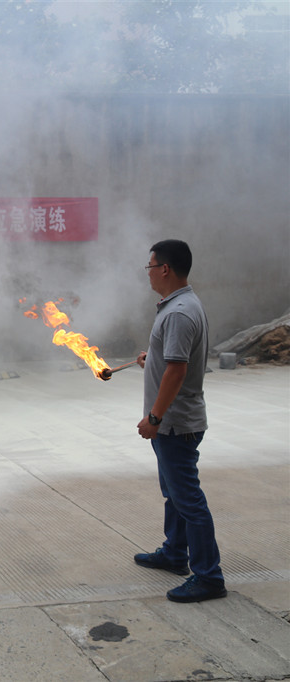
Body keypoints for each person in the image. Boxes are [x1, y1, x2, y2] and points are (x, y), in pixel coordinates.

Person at [133, 239, 226, 603]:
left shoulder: (178, 313)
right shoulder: (183, 305)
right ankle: (174, 553)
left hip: (175, 425)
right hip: (176, 423)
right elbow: (172, 359)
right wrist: (152, 357)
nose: (148, 273)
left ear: (165, 269)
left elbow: (177, 370)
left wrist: (154, 417)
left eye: (150, 266)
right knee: (174, 494)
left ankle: (209, 577)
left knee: (189, 501)